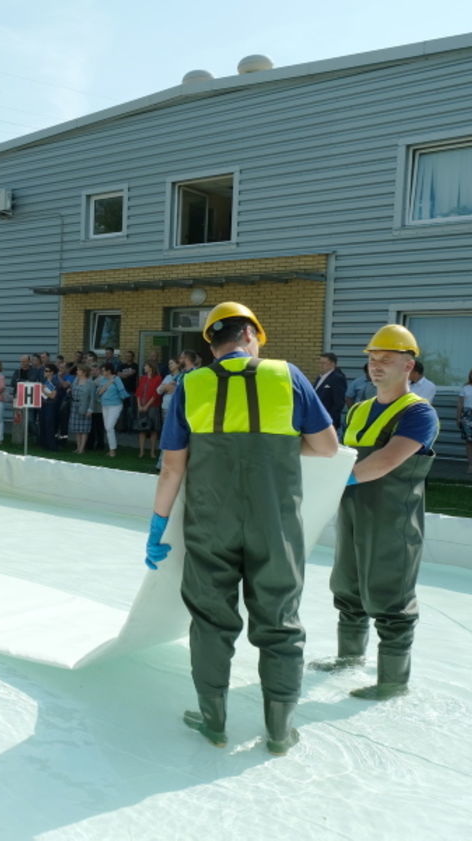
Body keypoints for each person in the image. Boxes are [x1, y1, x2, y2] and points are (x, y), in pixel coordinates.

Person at [145, 301, 337, 756]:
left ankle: (213, 722)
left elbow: (172, 468)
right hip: (276, 525)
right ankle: (279, 731)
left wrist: (157, 526)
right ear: (252, 335)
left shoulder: (192, 384)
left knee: (211, 620)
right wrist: (281, 450)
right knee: (280, 622)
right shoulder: (288, 375)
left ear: (211, 345)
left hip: (211, 524)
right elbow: (328, 447)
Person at [311, 325, 439, 702]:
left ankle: (392, 680)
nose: (376, 366)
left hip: (393, 519)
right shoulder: (360, 409)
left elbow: (385, 461)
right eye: (372, 359)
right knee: (347, 585)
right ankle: (349, 657)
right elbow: (336, 453)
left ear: (408, 365)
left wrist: (335, 482)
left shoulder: (419, 413)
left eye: (387, 360)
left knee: (391, 594)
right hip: (354, 513)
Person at [95, 363, 128, 457]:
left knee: (109, 427)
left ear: (109, 370)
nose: (102, 372)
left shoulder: (117, 379)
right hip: (105, 405)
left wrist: (113, 383)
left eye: (104, 370)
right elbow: (99, 393)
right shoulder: (103, 379)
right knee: (108, 428)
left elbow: (122, 392)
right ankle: (111, 449)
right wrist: (108, 383)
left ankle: (112, 450)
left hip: (115, 405)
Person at [135, 360, 163, 460]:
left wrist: (147, 405)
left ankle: (152, 452)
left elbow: (156, 393)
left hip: (153, 406)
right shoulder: (142, 378)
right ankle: (141, 451)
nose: (144, 368)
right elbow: (138, 392)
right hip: (141, 405)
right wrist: (139, 404)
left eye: (146, 366)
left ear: (151, 367)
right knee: (141, 429)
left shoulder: (158, 378)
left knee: (153, 429)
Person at [314, 352, 348, 428]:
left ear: (332, 364)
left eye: (323, 363)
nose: (320, 365)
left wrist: (329, 421)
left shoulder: (337, 378)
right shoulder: (320, 378)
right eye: (319, 363)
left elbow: (339, 403)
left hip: (327, 421)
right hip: (316, 419)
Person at [69, 364, 95, 454]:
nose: (77, 371)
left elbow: (92, 398)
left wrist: (90, 409)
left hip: (84, 407)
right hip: (74, 405)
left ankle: (82, 448)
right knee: (77, 428)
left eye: (79, 370)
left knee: (84, 429)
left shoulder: (90, 382)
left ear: (84, 372)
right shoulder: (76, 380)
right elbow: (72, 389)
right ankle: (78, 447)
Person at [39, 363, 61, 450]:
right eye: (44, 370)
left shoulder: (55, 381)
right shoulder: (45, 380)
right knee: (43, 424)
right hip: (44, 404)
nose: (45, 372)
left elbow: (53, 396)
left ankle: (52, 445)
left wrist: (43, 391)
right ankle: (44, 444)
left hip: (51, 405)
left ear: (52, 372)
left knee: (49, 425)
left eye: (47, 371)